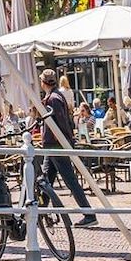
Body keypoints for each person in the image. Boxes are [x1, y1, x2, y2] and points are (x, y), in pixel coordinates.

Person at [34, 69, 97, 227]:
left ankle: (89, 214)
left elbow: (61, 123)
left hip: (56, 145)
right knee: (46, 179)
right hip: (53, 145)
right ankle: (39, 214)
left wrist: (63, 140)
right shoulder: (56, 96)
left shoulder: (53, 99)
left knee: (70, 180)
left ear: (43, 82)